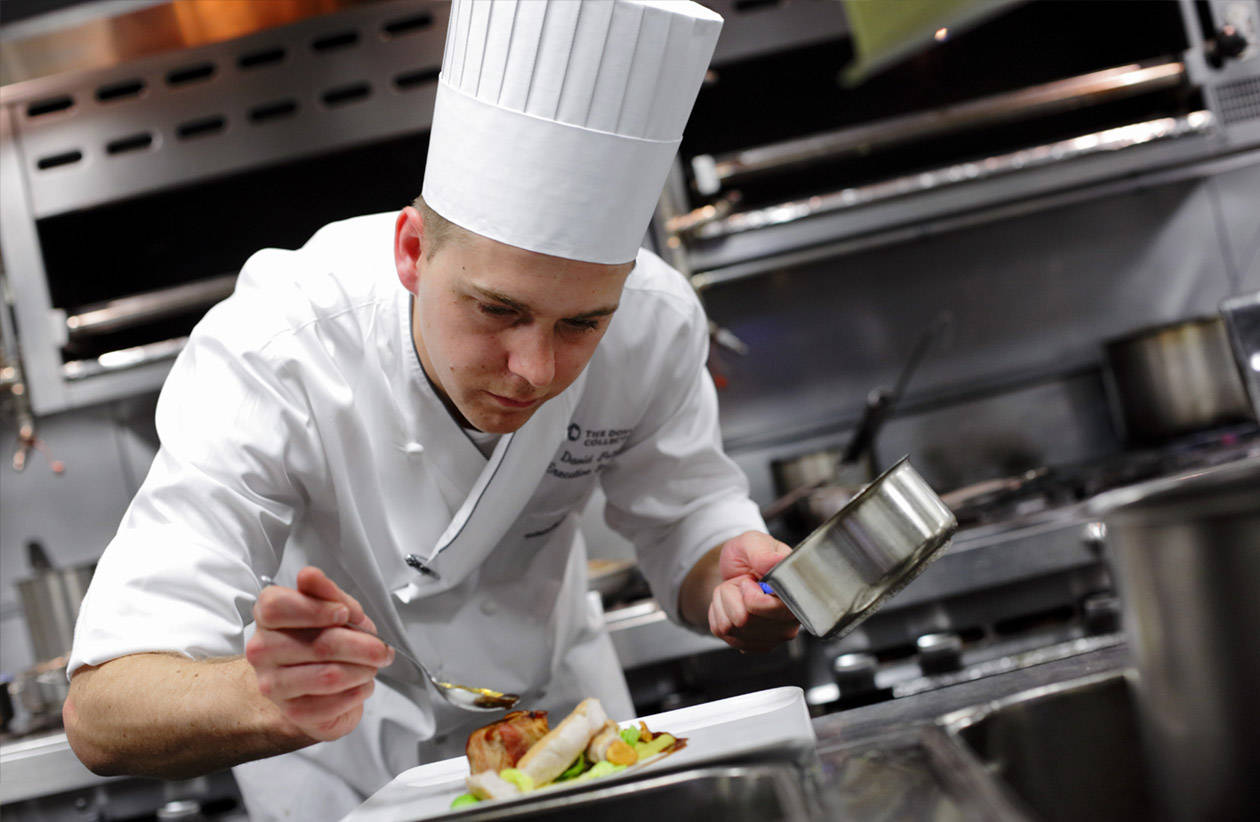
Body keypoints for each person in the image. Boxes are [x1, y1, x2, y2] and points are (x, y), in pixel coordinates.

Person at [64, 1, 799, 818]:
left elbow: (688, 519)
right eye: (497, 310)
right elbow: (101, 712)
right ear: (412, 252)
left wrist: (730, 579)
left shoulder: (652, 322)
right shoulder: (276, 352)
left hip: (568, 732)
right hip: (344, 770)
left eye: (581, 324)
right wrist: (265, 696)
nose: (535, 371)